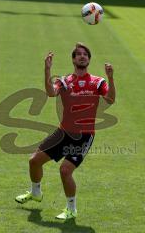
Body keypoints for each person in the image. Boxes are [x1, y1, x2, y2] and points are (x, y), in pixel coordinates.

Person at [15, 43, 116, 219]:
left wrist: (111, 77)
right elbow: (51, 93)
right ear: (73, 59)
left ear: (89, 60)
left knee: (65, 170)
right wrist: (47, 70)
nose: (82, 56)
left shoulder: (98, 82)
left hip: (83, 136)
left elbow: (111, 99)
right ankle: (35, 192)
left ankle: (71, 209)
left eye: (85, 54)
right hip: (63, 133)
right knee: (34, 161)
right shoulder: (64, 81)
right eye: (79, 54)